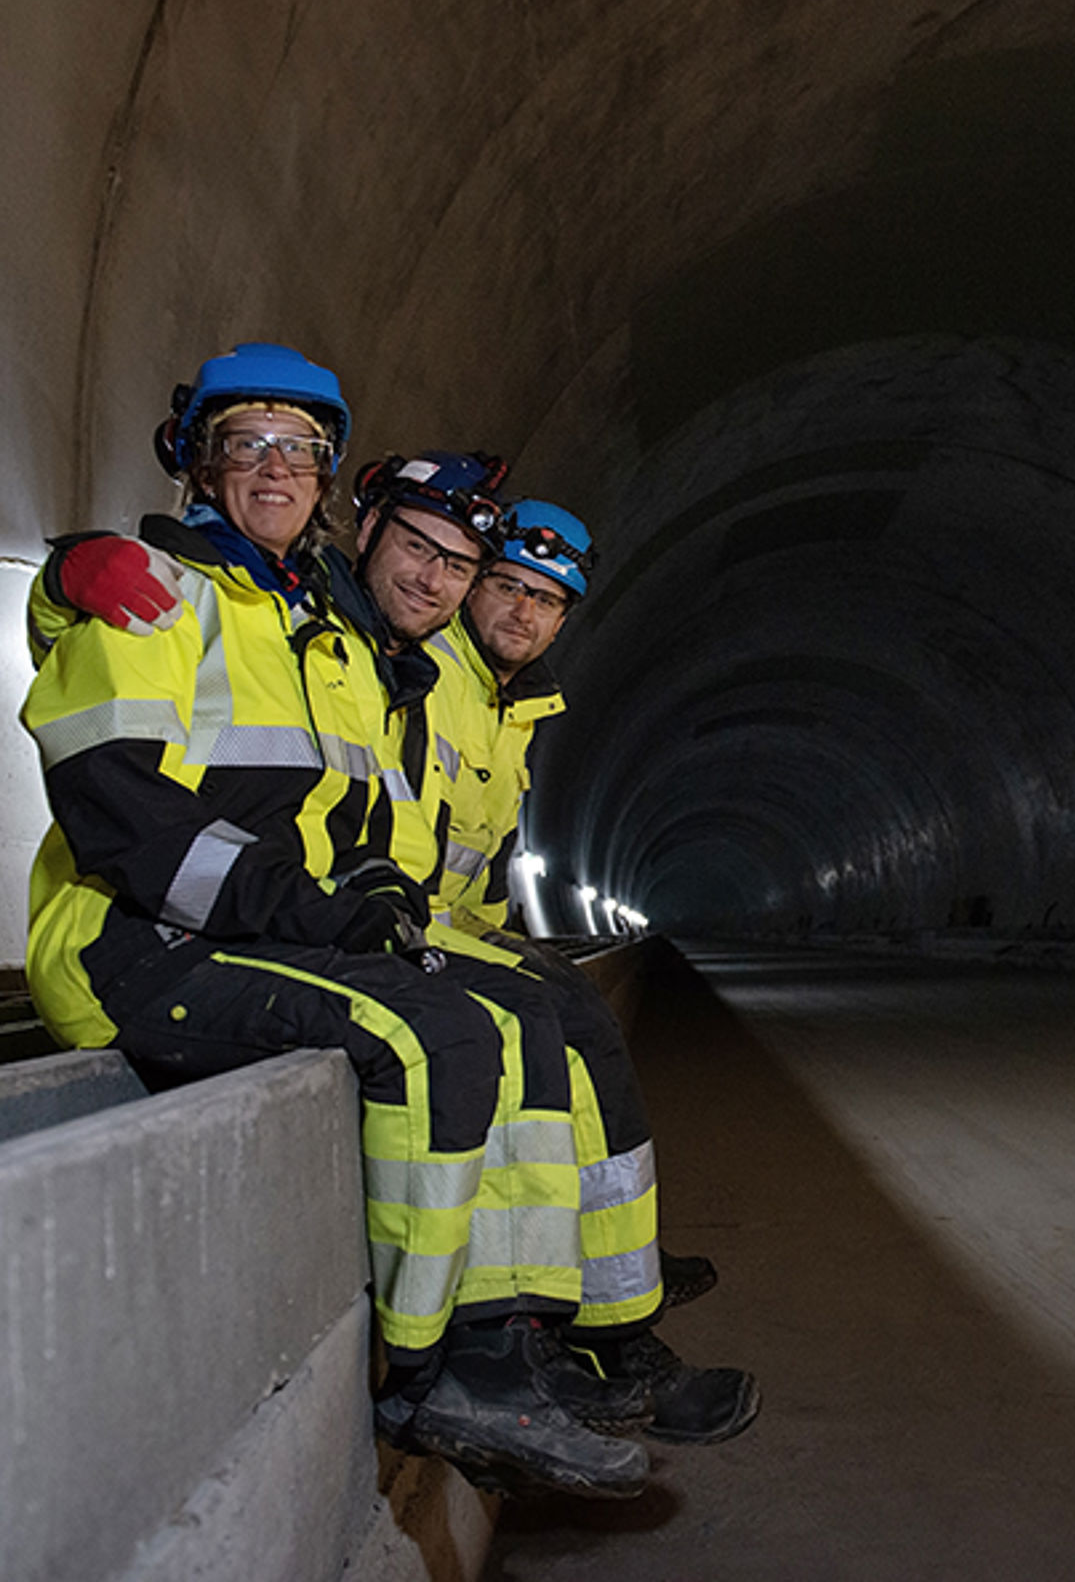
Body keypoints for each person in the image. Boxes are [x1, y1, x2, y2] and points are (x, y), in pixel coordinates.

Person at [22, 343, 652, 1499]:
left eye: (300, 450)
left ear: (325, 478)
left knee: (503, 1014)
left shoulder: (307, 627)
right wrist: (67, 574)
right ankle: (424, 1378)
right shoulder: (162, 590)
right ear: (199, 463)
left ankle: (510, 1342)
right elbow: (123, 815)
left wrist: (360, 891)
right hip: (132, 944)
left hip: (247, 934)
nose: (274, 469)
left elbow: (340, 808)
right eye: (246, 444)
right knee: (434, 1037)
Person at [424, 500, 745, 1412]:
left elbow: (480, 867)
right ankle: (562, 1327)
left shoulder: (507, 701)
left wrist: (512, 944)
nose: (524, 615)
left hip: (451, 927)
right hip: (397, 928)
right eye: (509, 589)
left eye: (549, 602)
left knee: (580, 1025)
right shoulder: (427, 668)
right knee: (533, 1039)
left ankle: (618, 1280)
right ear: (471, 584)